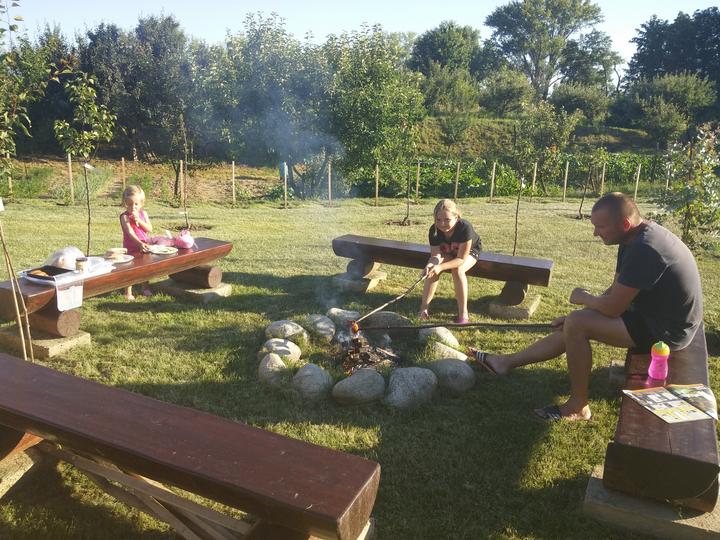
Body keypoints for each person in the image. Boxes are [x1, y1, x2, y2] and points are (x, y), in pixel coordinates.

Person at [470, 192, 703, 422]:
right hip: (653, 315)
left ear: (624, 223)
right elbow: (615, 290)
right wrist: (585, 313)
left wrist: (584, 298)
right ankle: (505, 362)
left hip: (668, 331)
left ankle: (578, 407)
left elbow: (613, 308)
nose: (595, 233)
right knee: (576, 322)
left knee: (577, 324)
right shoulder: (633, 237)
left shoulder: (646, 248)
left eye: (601, 227)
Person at [419, 199, 482, 324]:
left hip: (469, 252)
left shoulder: (464, 228)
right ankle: (423, 309)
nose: (442, 224)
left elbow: (460, 259)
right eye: (438, 220)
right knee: (432, 270)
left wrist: (440, 267)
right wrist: (430, 265)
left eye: (447, 220)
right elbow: (435, 255)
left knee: (458, 270)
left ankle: (463, 313)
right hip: (448, 251)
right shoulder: (434, 230)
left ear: (456, 217)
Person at [120, 185, 153, 300]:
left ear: (141, 204)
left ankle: (145, 288)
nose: (133, 207)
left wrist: (139, 220)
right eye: (129, 204)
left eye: (136, 204)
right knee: (130, 269)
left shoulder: (144, 214)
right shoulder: (124, 217)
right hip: (131, 247)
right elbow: (130, 232)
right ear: (125, 203)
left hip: (144, 246)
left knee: (145, 267)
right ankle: (128, 292)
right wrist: (139, 243)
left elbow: (149, 229)